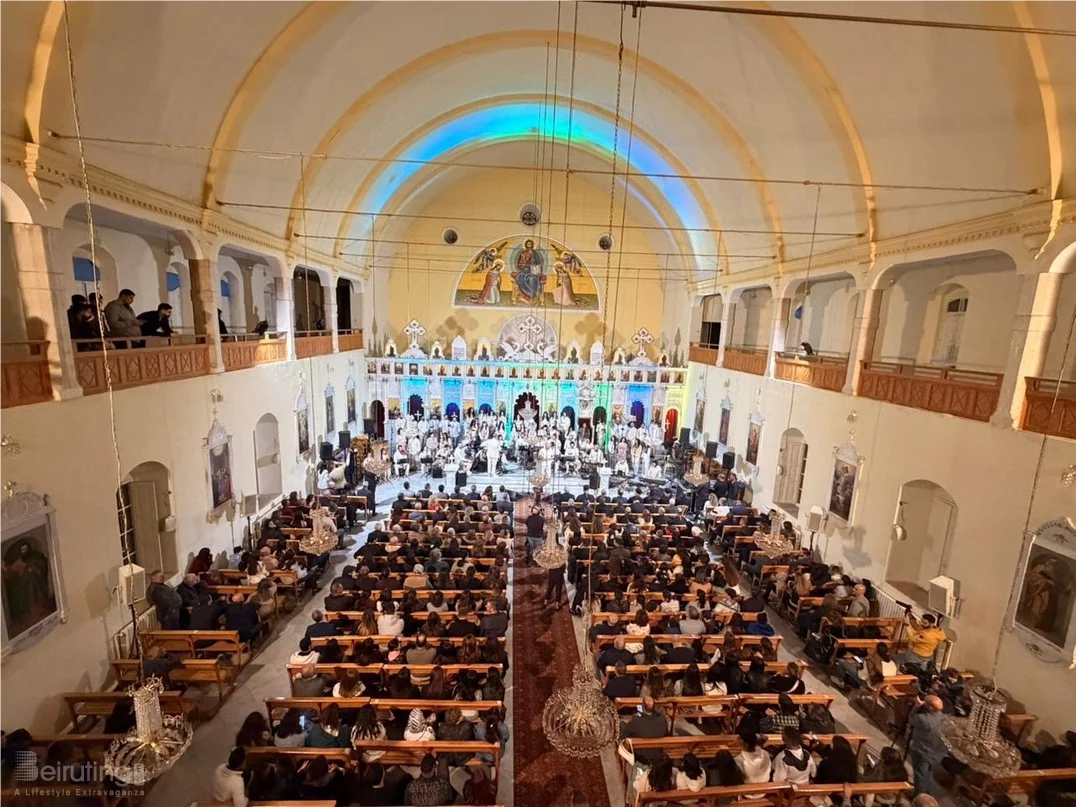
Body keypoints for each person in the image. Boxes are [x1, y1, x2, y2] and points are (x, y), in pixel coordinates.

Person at [908, 694, 947, 797]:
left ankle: (919, 797)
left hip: (923, 751)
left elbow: (911, 719)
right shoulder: (944, 717)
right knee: (928, 773)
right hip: (937, 753)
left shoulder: (923, 719)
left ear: (929, 707)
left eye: (925, 702)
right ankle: (928, 792)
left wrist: (916, 706)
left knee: (920, 774)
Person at [619, 695, 668, 763]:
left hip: (641, 756)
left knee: (622, 726)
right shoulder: (662, 719)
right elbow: (666, 733)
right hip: (657, 753)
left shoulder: (636, 721)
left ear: (642, 706)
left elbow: (624, 734)